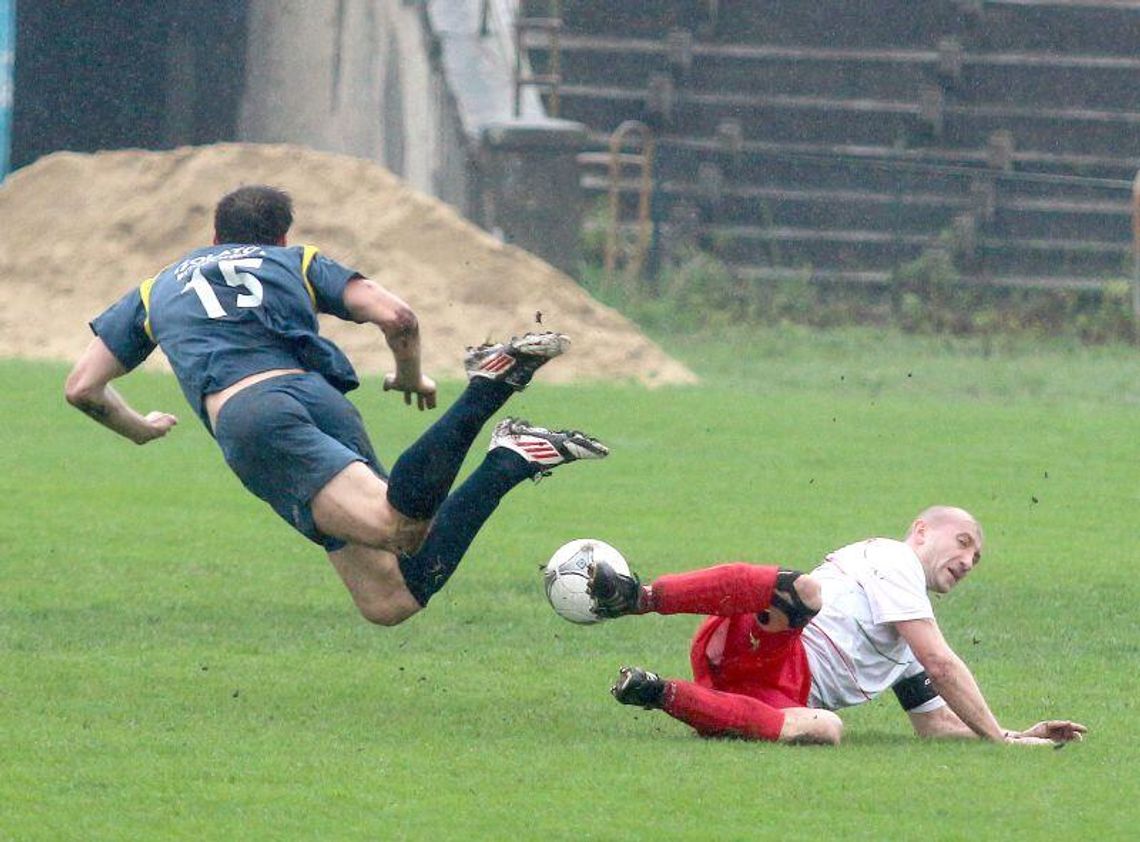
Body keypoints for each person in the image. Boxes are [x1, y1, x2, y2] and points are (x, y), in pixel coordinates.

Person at [65, 184, 609, 625]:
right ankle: (511, 458)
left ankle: (487, 389)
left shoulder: (155, 289)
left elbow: (82, 387)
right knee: (390, 600)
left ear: (213, 236)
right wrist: (409, 375)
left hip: (256, 420)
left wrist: (138, 429)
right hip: (319, 401)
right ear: (281, 235)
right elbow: (397, 316)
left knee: (401, 530)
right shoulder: (294, 260)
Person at [587, 506, 1088, 746]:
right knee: (803, 592)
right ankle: (639, 597)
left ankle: (659, 693)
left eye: (976, 558)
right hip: (764, 646)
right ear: (920, 531)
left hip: (771, 693)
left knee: (826, 728)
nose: (968, 560)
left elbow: (935, 726)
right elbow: (941, 663)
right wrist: (999, 741)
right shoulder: (894, 560)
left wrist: (1018, 737)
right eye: (962, 543)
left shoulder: (907, 637)